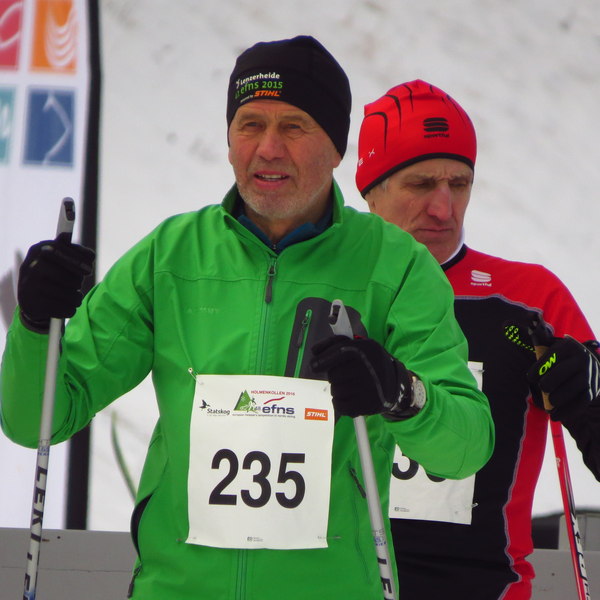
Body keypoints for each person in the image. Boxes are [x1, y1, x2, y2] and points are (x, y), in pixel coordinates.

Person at [0, 42, 494, 600]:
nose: (268, 149)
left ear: (336, 147)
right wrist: (36, 325)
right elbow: (35, 421)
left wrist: (400, 391)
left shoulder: (394, 265)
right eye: (250, 124)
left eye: (294, 127)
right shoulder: (170, 256)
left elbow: (466, 447)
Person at [355, 78, 600, 600]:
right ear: (371, 191)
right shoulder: (318, 285)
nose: (444, 209)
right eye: (421, 184)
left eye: (460, 184)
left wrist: (589, 394)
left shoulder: (529, 300)